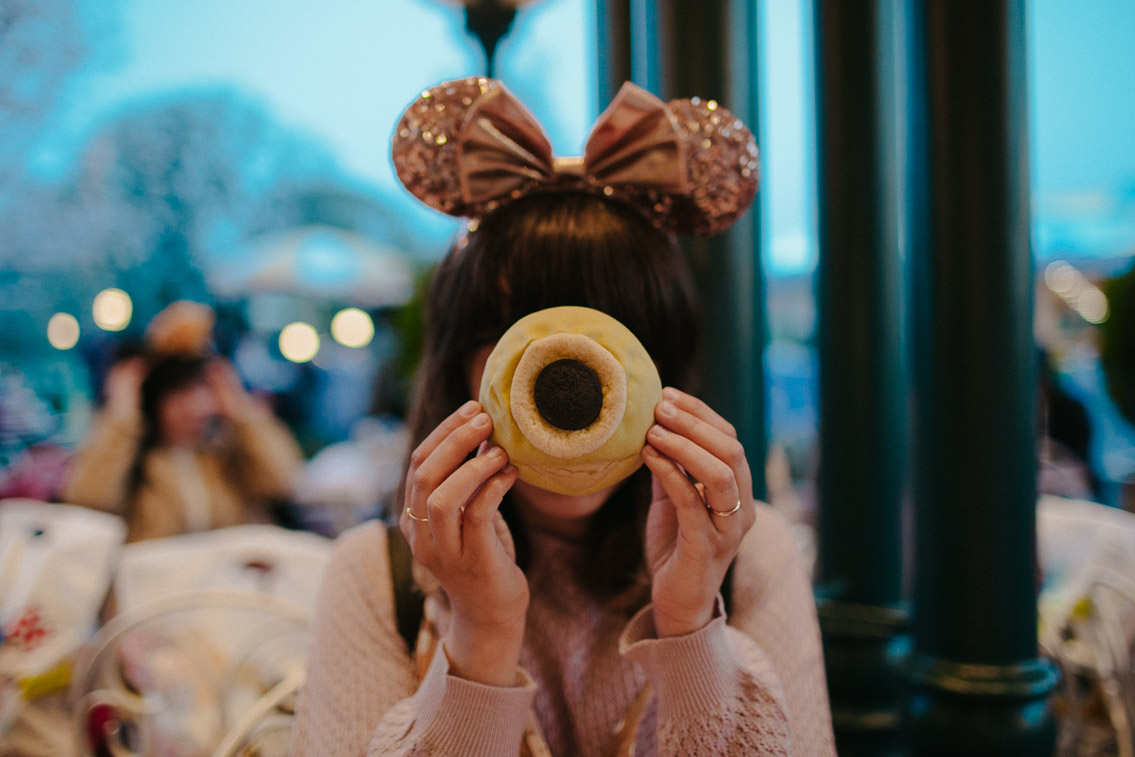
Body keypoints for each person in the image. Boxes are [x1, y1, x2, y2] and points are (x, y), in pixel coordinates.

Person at [292, 78, 835, 756]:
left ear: (663, 366)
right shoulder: (378, 578)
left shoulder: (749, 559)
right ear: (463, 366)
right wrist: (480, 636)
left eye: (617, 339)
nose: (569, 390)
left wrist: (692, 625)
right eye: (520, 339)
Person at [62, 301, 305, 542]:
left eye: (205, 390)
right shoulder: (134, 463)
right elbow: (88, 499)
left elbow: (284, 481)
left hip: (226, 579)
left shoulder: (224, 456)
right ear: (153, 401)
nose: (197, 407)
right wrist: (123, 415)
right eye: (180, 395)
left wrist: (239, 408)